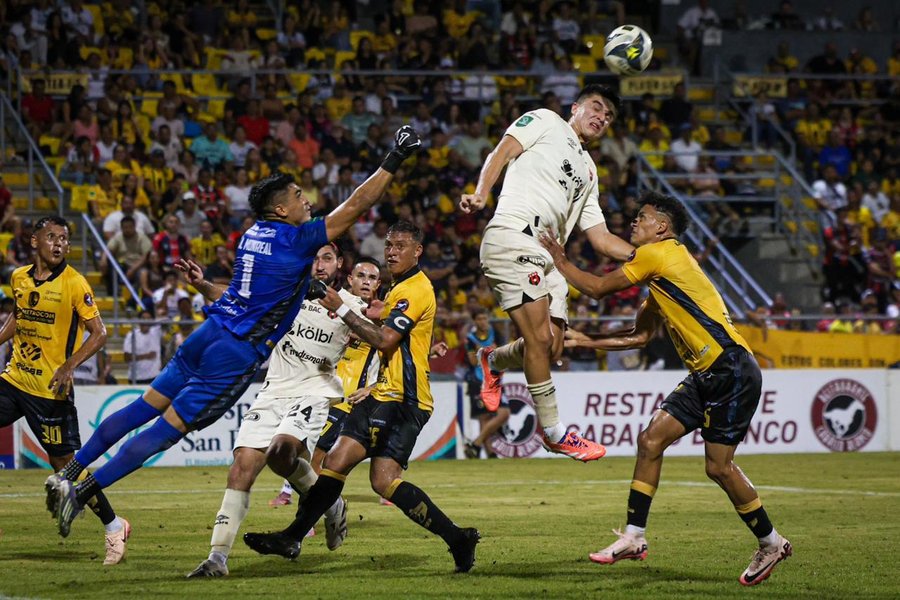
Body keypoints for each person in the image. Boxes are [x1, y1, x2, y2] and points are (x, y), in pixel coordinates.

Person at [46, 126, 424, 538]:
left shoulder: (251, 235)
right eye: (299, 196)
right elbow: (356, 205)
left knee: (143, 406)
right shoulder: (297, 241)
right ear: (281, 209)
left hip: (208, 331)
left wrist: (208, 286)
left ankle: (69, 471)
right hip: (235, 352)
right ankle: (82, 492)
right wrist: (394, 159)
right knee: (165, 430)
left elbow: (254, 292)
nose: (307, 201)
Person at [539, 192, 792, 586]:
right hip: (705, 374)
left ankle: (771, 542)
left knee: (718, 467)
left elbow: (597, 288)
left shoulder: (662, 253)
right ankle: (634, 537)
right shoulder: (663, 277)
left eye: (642, 217)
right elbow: (637, 337)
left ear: (662, 227)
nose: (634, 223)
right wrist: (586, 341)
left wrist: (560, 260)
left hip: (730, 368)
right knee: (651, 440)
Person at [242, 222, 480, 573]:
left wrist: (341, 308)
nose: (392, 251)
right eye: (389, 245)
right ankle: (293, 536)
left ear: (418, 251)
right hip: (382, 395)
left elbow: (385, 340)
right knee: (338, 465)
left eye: (401, 245)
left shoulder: (415, 289)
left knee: (381, 480)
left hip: (403, 400)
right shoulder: (400, 287)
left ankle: (458, 538)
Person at [458, 84, 634, 460]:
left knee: (552, 346)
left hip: (548, 256)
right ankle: (554, 433)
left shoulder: (589, 170)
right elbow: (502, 151)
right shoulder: (545, 121)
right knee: (538, 338)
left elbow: (601, 238)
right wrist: (481, 192)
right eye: (597, 107)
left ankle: (493, 359)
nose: (602, 117)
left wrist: (652, 256)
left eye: (608, 116)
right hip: (513, 234)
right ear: (575, 108)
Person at [186, 243, 375, 577]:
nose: (319, 264)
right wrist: (203, 285)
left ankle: (326, 505)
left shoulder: (353, 304)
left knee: (281, 452)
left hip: (313, 392)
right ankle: (217, 558)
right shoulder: (288, 295)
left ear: (340, 265)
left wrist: (345, 311)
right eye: (314, 258)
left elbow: (387, 330)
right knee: (241, 467)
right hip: (273, 391)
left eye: (327, 258)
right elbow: (239, 303)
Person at [0, 216, 130, 565]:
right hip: (13, 380)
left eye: (64, 239)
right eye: (52, 237)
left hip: (49, 391)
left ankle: (114, 526)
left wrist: (69, 364)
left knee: (67, 466)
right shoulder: (19, 277)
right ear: (34, 241)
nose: (59, 244)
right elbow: (19, 313)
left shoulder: (75, 283)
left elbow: (99, 333)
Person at [269, 255, 383, 508]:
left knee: (315, 456)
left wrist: (372, 387)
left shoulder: (377, 318)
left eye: (372, 278)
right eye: (361, 276)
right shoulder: (329, 303)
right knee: (303, 452)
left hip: (345, 399)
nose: (366, 282)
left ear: (378, 284)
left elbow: (395, 355)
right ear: (350, 279)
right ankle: (316, 503)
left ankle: (309, 513)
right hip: (317, 390)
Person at [464, 308, 509, 459]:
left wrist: (482, 352)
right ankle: (490, 453)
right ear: (475, 321)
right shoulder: (470, 339)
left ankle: (476, 443)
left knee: (504, 413)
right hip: (478, 381)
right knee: (484, 417)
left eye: (484, 318)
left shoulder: (496, 334)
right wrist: (489, 352)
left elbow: (503, 356)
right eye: (479, 319)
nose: (482, 321)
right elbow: (471, 361)